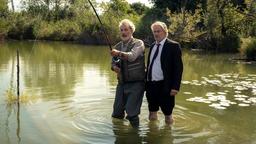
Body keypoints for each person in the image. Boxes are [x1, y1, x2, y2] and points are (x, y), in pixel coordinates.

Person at [146, 21, 183, 124]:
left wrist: (175, 87)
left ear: (165, 32)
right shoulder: (153, 45)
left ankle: (168, 136)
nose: (156, 34)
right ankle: (152, 134)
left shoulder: (173, 46)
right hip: (151, 85)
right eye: (154, 32)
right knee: (152, 113)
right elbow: (150, 65)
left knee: (168, 115)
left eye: (158, 31)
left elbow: (178, 68)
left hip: (165, 85)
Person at [110, 19, 145, 127]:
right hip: (121, 83)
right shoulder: (117, 46)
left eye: (126, 30)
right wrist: (114, 67)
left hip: (136, 83)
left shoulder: (138, 43)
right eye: (121, 30)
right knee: (116, 113)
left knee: (132, 114)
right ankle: (120, 136)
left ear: (131, 30)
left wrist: (118, 53)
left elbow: (132, 56)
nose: (123, 32)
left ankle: (134, 136)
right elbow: (112, 64)